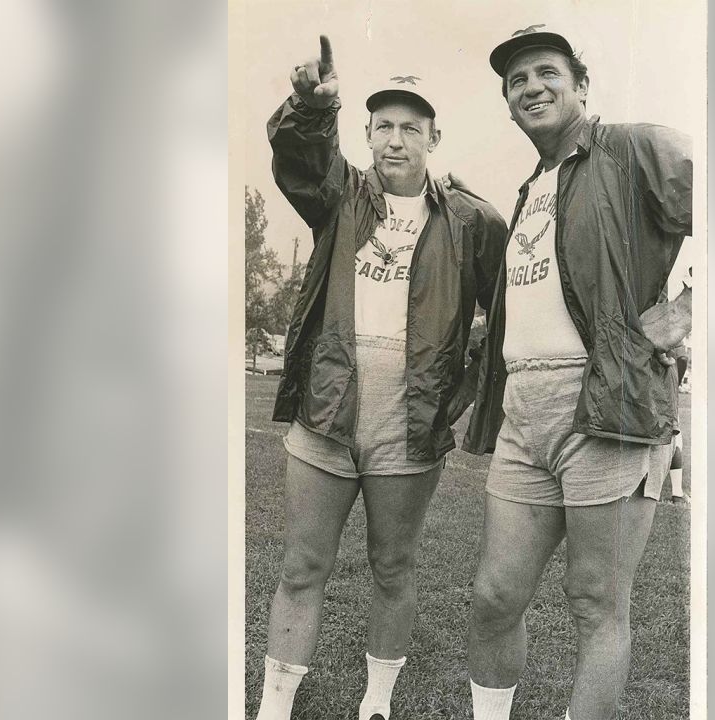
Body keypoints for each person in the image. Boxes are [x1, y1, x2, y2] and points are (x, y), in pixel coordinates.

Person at [256, 35, 508, 720]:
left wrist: (457, 397)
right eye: (384, 126)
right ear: (366, 134)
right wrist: (315, 108)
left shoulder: (471, 220)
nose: (396, 139)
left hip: (409, 427)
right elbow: (301, 159)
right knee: (302, 567)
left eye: (410, 128)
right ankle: (273, 707)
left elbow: (509, 313)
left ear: (434, 137)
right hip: (327, 416)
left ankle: (377, 705)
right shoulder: (342, 196)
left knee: (392, 569)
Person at [461, 25, 694, 720]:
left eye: (545, 72)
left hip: (609, 407)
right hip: (524, 414)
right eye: (516, 81)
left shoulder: (632, 147)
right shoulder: (533, 187)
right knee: (495, 597)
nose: (530, 87)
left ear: (581, 85)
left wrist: (688, 306)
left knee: (595, 603)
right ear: (507, 104)